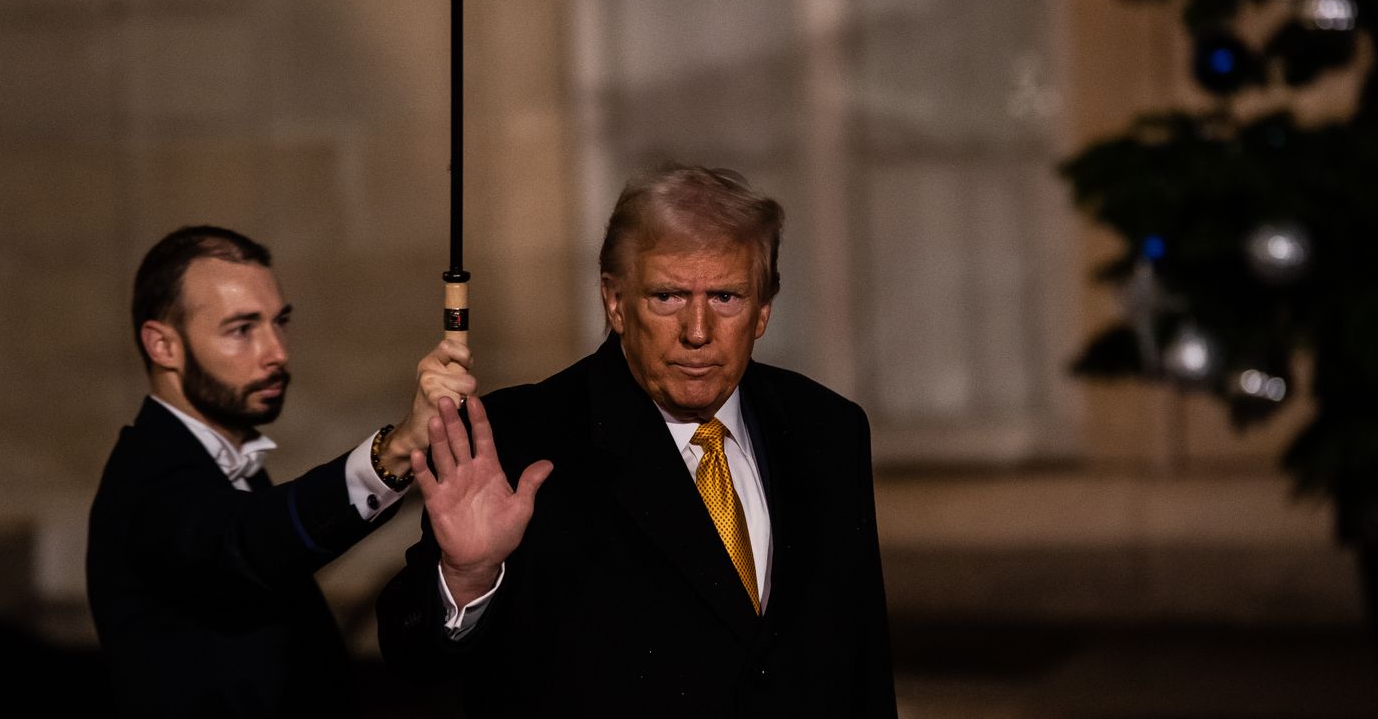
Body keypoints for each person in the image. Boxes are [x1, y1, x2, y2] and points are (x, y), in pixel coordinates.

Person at [377, 165, 897, 717]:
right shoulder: (520, 438)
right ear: (615, 302)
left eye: (726, 297)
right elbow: (412, 658)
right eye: (668, 296)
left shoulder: (829, 431)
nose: (697, 331)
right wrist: (465, 578)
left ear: (764, 308)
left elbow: (862, 666)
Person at [87, 225, 473, 717]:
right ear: (162, 345)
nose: (277, 353)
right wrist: (395, 451)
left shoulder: (227, 462)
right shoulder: (148, 478)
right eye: (242, 329)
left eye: (279, 322)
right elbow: (248, 540)